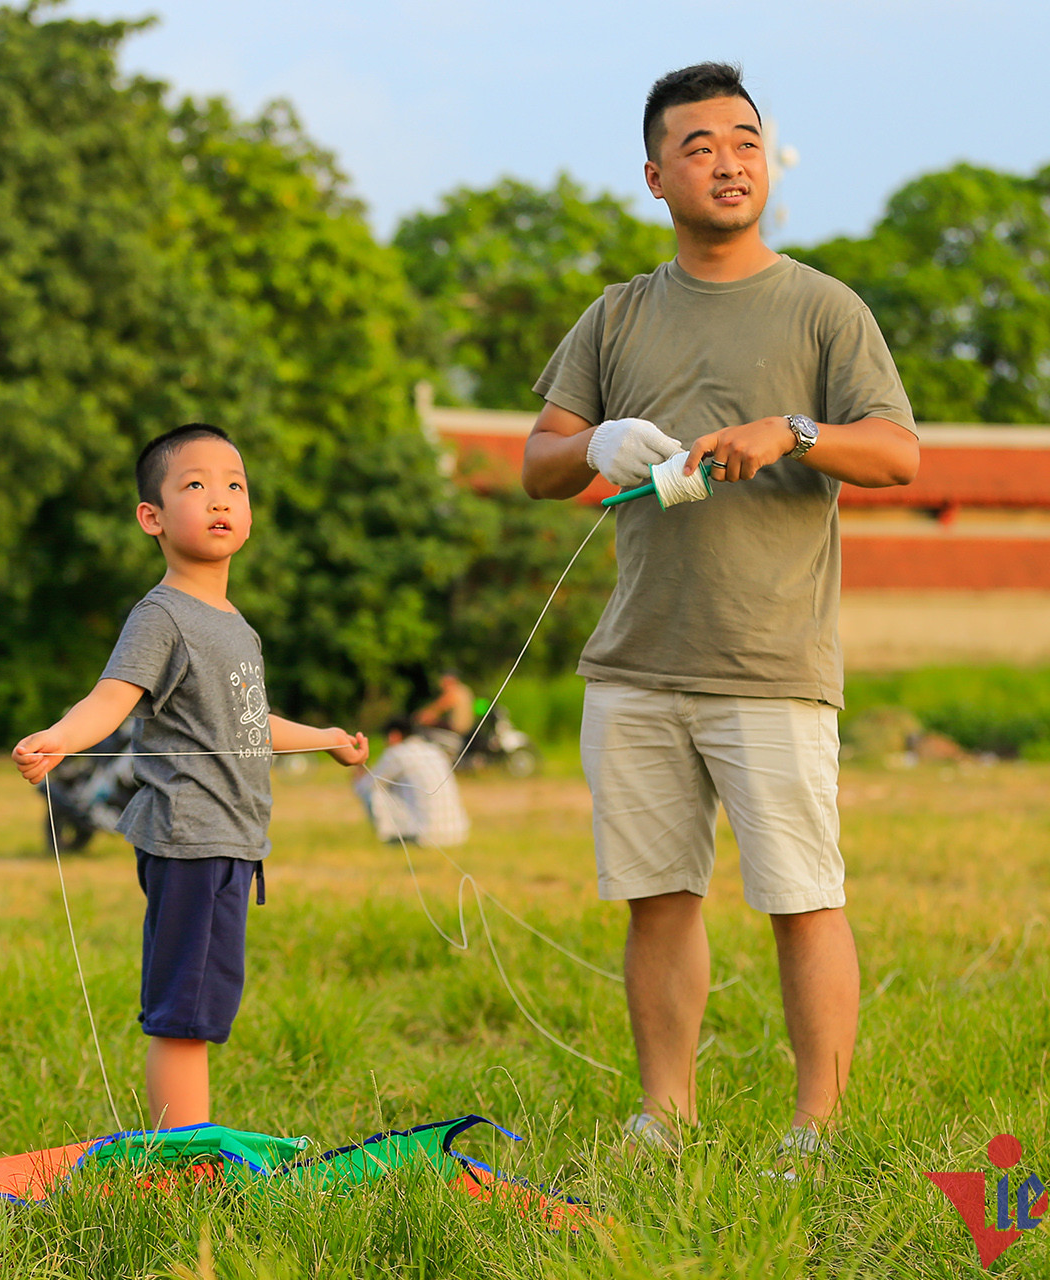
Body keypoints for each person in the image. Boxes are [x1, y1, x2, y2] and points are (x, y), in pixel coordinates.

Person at [520, 63, 919, 1165]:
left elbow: (896, 451)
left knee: (803, 896)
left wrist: (792, 429)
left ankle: (819, 1127)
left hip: (773, 660)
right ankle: (664, 1115)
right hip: (636, 662)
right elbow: (537, 462)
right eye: (700, 146)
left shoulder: (824, 307)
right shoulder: (616, 315)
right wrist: (593, 442)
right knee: (657, 898)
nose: (730, 160)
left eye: (746, 139)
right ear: (655, 176)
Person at [13, 423, 369, 1130]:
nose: (221, 499)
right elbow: (112, 698)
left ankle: (185, 1146)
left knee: (199, 1004)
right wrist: (59, 737)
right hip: (193, 837)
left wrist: (326, 738)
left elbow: (248, 725)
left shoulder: (234, 624)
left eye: (234, 485)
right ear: (153, 517)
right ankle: (182, 1155)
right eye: (196, 485)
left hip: (230, 840)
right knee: (185, 1012)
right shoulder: (163, 615)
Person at [353, 718, 470, 846]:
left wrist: (358, 762)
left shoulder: (396, 753)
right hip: (458, 834)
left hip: (425, 837)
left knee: (375, 793)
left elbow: (363, 787)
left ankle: (393, 839)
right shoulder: (435, 750)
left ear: (394, 736)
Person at [413, 671, 477, 737]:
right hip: (464, 732)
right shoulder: (464, 689)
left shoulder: (454, 691)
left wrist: (418, 717)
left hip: (455, 731)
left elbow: (436, 709)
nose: (441, 685)